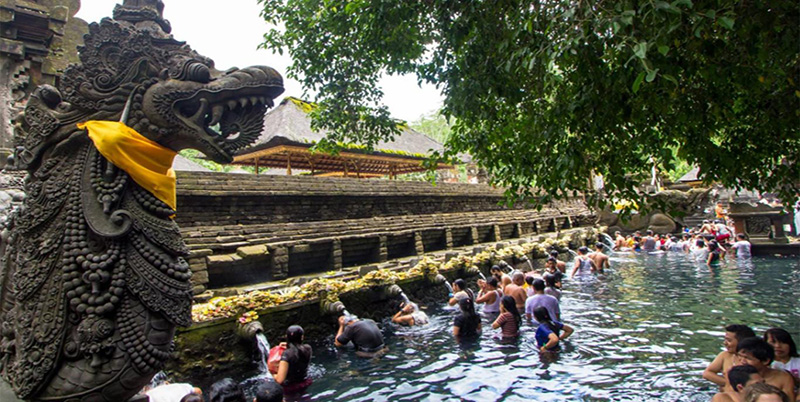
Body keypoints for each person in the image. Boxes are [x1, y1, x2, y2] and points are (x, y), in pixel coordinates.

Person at [704, 324, 757, 388]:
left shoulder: (754, 360)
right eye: (725, 339)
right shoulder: (725, 355)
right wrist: (728, 384)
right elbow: (707, 373)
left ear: (742, 342)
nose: (725, 343)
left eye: (729, 340)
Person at [273, 325, 312, 393]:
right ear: (302, 337)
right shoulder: (308, 348)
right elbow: (297, 348)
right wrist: (287, 345)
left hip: (290, 387)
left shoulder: (287, 354)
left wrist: (272, 374)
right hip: (304, 382)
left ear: (287, 337)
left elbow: (280, 380)